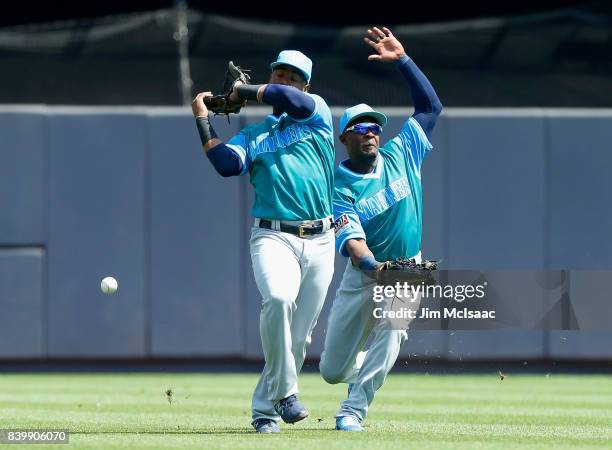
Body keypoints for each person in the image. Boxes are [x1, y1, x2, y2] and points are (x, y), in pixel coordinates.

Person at [191, 50, 336, 433]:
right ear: (271, 75)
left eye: (294, 76)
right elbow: (226, 165)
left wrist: (242, 90)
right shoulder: (254, 134)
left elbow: (288, 100)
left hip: (322, 239)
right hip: (273, 235)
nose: (285, 80)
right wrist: (202, 118)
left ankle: (263, 411)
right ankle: (286, 395)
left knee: (298, 338)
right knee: (277, 299)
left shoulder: (316, 111)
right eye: (280, 73)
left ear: (306, 85)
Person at [319, 27, 442, 431]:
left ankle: (353, 409)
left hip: (406, 268)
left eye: (374, 126)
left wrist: (404, 61)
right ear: (345, 138)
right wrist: (377, 269)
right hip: (364, 276)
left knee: (393, 328)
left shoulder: (401, 151)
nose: (370, 132)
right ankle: (356, 374)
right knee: (332, 370)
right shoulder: (338, 185)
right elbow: (354, 245)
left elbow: (430, 109)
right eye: (360, 128)